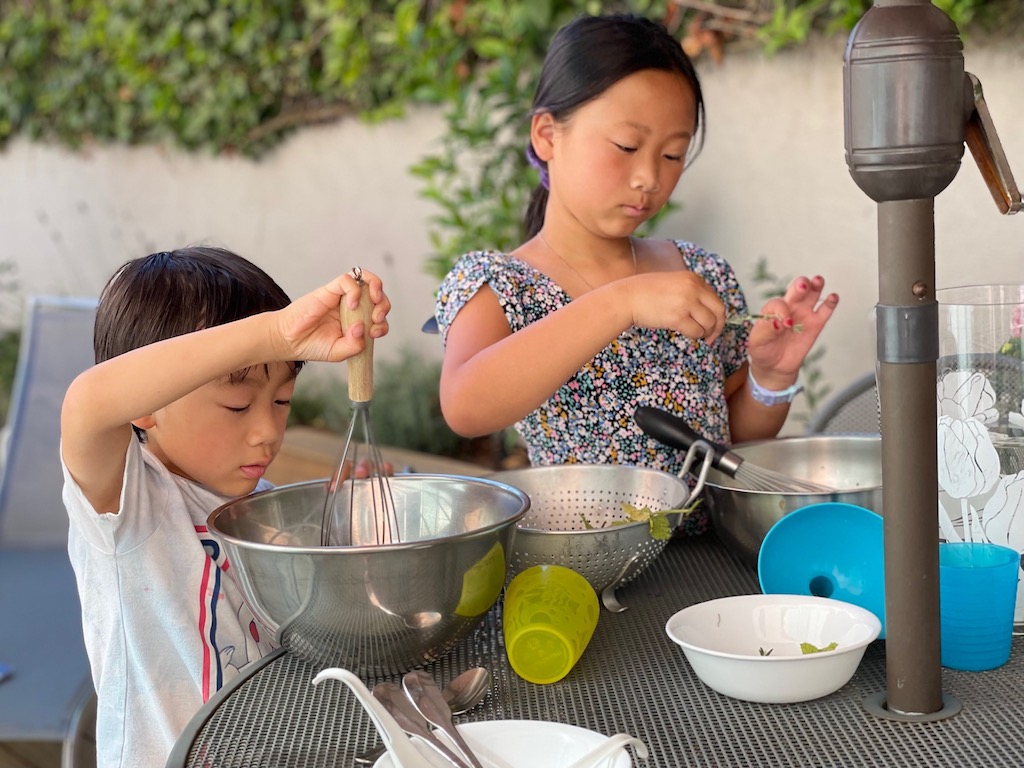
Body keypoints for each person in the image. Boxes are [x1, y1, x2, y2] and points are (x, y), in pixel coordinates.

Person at [435, 13, 838, 532]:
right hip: (589, 570)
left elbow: (728, 440)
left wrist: (770, 379)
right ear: (547, 136)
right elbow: (466, 406)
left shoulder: (699, 273)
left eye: (672, 154)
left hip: (711, 560)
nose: (649, 177)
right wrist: (620, 302)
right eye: (626, 146)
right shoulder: (500, 284)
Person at [60, 247, 390, 767]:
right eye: (237, 405)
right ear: (147, 406)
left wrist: (347, 531)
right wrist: (272, 334)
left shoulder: (258, 505)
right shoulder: (128, 508)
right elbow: (87, 404)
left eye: (282, 400)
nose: (268, 432)